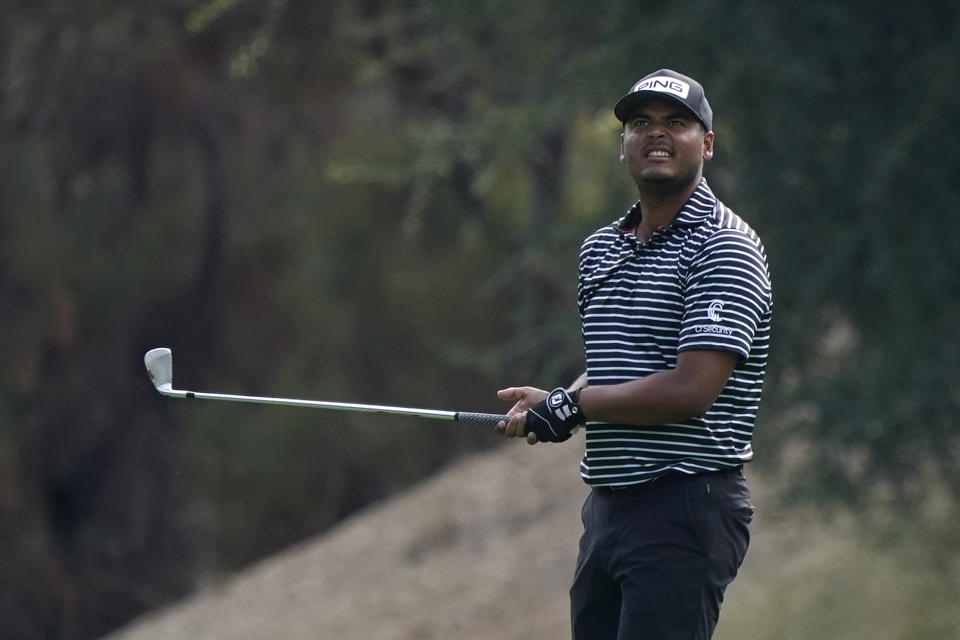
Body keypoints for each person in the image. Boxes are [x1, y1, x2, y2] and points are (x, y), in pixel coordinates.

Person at [495, 69, 773, 640]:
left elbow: (691, 390)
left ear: (708, 144)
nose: (656, 133)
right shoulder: (600, 249)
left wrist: (579, 407)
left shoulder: (725, 245)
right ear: (622, 144)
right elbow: (621, 364)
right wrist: (559, 401)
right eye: (640, 122)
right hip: (608, 507)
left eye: (677, 122)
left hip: (687, 503)